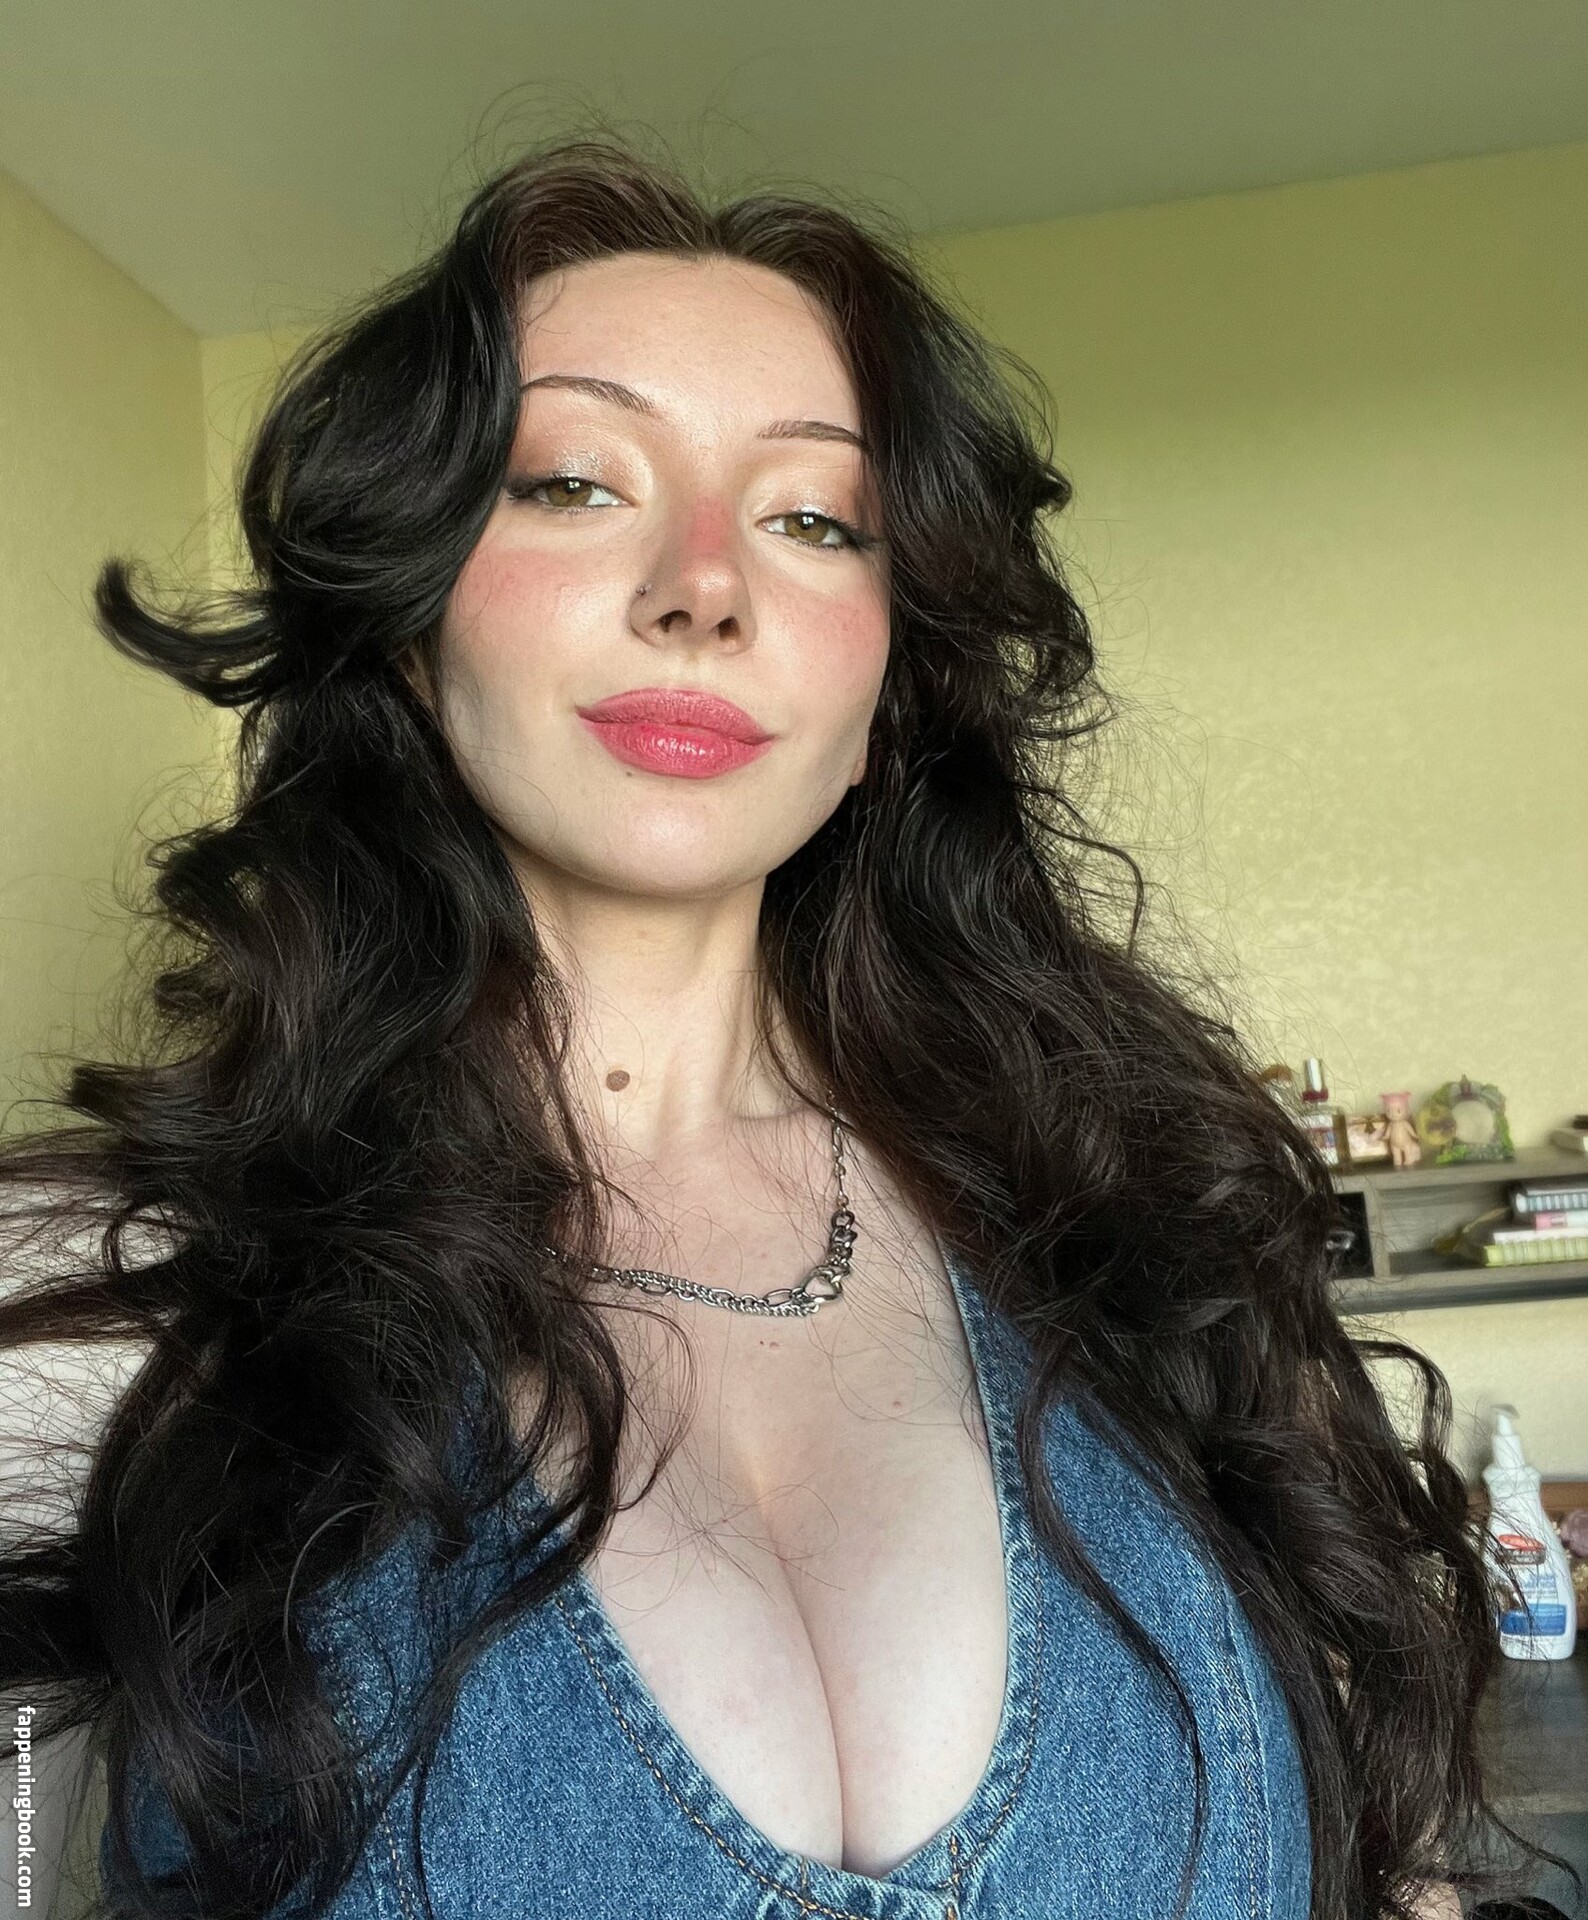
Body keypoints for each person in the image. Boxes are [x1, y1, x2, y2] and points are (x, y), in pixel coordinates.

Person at [0, 133, 1571, 1920]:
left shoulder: (1136, 1221)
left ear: (890, 678)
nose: (704, 585)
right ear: (408, 617)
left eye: (815, 519)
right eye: (571, 482)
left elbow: (1390, 1861)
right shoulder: (121, 1293)